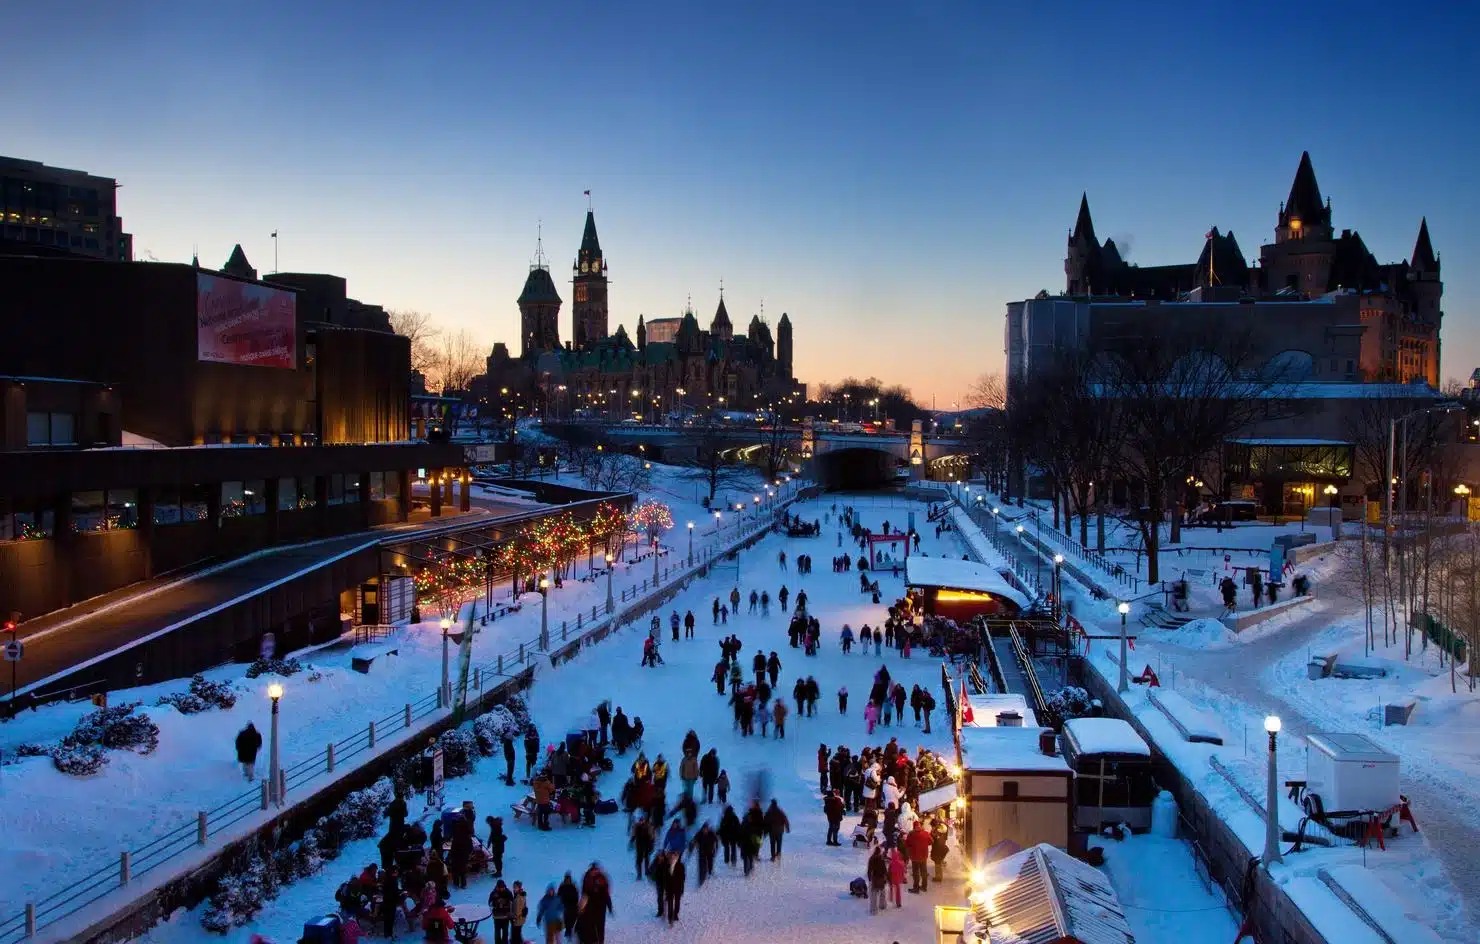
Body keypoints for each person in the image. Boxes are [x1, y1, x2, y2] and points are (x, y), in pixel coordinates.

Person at [905, 821, 933, 892]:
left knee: (916, 872)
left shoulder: (911, 834)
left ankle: (916, 888)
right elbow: (931, 841)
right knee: (924, 871)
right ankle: (924, 887)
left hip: (914, 856)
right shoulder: (925, 833)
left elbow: (907, 844)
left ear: (913, 826)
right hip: (924, 856)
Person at [489, 879, 514, 944]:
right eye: (500, 888)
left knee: (505, 932)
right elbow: (490, 903)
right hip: (497, 917)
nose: (501, 889)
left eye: (502, 887)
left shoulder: (508, 893)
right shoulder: (493, 893)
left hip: (506, 917)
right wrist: (496, 903)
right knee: (497, 933)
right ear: (497, 887)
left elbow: (512, 903)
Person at [867, 846, 889, 914]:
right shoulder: (882, 859)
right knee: (882, 893)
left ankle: (874, 910)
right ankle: (882, 905)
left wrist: (870, 879)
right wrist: (886, 879)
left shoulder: (871, 859)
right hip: (881, 879)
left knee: (873, 895)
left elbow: (869, 870)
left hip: (874, 879)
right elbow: (885, 870)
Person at [650, 851, 672, 919]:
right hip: (659, 882)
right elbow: (650, 870)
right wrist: (652, 876)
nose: (660, 857)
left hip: (666, 881)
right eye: (659, 856)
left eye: (661, 856)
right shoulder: (655, 862)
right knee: (660, 897)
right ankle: (660, 911)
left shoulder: (667, 862)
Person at [557, 873, 579, 941]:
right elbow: (559, 895)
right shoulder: (562, 886)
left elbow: (576, 894)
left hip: (573, 905)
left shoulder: (573, 886)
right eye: (566, 878)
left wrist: (576, 902)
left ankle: (570, 929)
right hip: (565, 905)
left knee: (573, 918)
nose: (567, 880)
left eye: (568, 879)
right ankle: (568, 931)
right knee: (566, 918)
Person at [665, 854, 686, 924]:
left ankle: (675, 914)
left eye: (675, 856)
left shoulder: (681, 866)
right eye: (672, 856)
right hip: (669, 888)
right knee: (670, 902)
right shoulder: (667, 866)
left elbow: (683, 878)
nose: (673, 858)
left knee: (677, 902)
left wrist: (682, 888)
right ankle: (670, 917)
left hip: (678, 887)